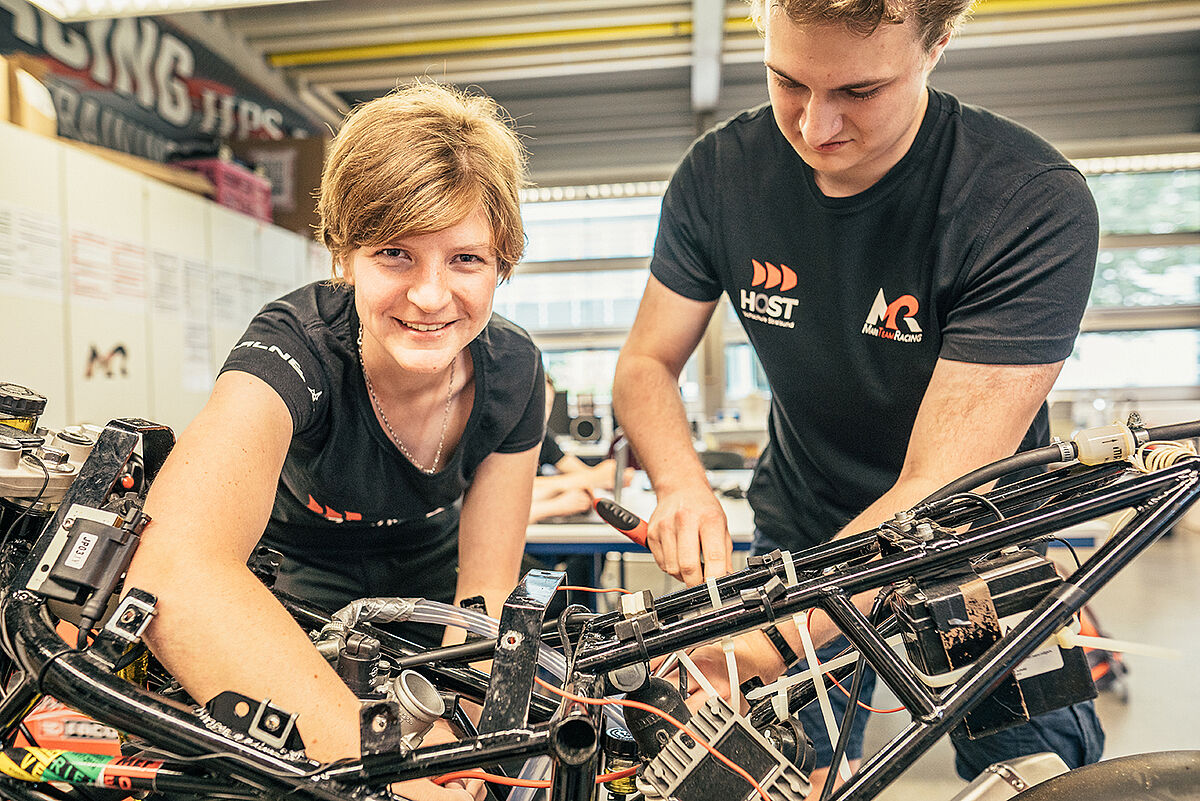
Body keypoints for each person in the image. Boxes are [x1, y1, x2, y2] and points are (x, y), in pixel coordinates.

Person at [611, 0, 1103, 796]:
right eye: (787, 81)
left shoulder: (1024, 200)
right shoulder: (721, 174)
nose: (814, 126)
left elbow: (932, 491)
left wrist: (768, 641)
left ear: (938, 44)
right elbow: (644, 363)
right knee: (759, 772)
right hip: (801, 539)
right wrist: (680, 481)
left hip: (975, 544)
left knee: (1041, 777)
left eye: (860, 92)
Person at [125, 81, 544, 800]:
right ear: (343, 256)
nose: (431, 296)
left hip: (434, 592)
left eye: (466, 260)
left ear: (503, 262)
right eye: (395, 253)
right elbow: (173, 568)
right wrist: (383, 762)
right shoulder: (294, 346)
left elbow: (485, 589)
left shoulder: (515, 369)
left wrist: (466, 749)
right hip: (296, 587)